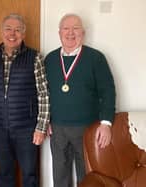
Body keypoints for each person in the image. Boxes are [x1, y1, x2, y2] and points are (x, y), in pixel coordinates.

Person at [0, 13, 50, 187]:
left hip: (27, 128)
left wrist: (41, 127)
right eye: (8, 29)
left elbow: (43, 94)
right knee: (4, 173)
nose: (12, 34)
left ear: (23, 34)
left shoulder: (35, 57)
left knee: (29, 174)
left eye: (17, 30)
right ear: (1, 32)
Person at [44, 13, 116, 186]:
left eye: (75, 28)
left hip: (88, 128)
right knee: (60, 174)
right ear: (59, 33)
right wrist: (44, 121)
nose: (70, 33)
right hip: (57, 128)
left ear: (83, 33)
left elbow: (107, 91)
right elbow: (43, 93)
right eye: (66, 29)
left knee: (87, 175)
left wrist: (106, 123)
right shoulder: (50, 59)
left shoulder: (96, 58)